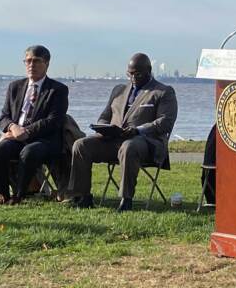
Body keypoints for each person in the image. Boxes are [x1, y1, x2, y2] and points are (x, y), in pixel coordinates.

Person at [68, 53, 178, 212]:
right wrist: (104, 129)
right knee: (81, 145)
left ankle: (126, 200)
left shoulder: (163, 91)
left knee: (129, 146)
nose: (133, 77)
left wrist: (138, 130)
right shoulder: (119, 90)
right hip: (113, 140)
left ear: (149, 70)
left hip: (145, 143)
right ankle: (82, 196)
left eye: (137, 74)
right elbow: (104, 116)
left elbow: (165, 122)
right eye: (130, 73)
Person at [0, 45, 69, 205]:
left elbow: (54, 120)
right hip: (16, 137)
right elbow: (3, 117)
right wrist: (13, 128)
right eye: (28, 61)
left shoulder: (57, 90)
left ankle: (19, 195)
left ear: (46, 63)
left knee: (29, 152)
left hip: (44, 140)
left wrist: (26, 132)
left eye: (36, 61)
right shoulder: (15, 87)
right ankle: (3, 194)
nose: (31, 65)